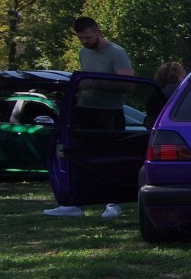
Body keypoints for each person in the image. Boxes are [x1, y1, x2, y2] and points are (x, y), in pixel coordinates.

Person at [44, 17, 134, 219]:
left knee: (110, 157)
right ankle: (74, 203)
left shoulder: (116, 53)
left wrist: (95, 82)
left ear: (98, 31)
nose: (85, 42)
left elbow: (129, 85)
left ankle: (113, 203)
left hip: (108, 112)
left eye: (88, 37)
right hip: (84, 108)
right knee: (77, 156)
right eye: (81, 38)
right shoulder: (84, 52)